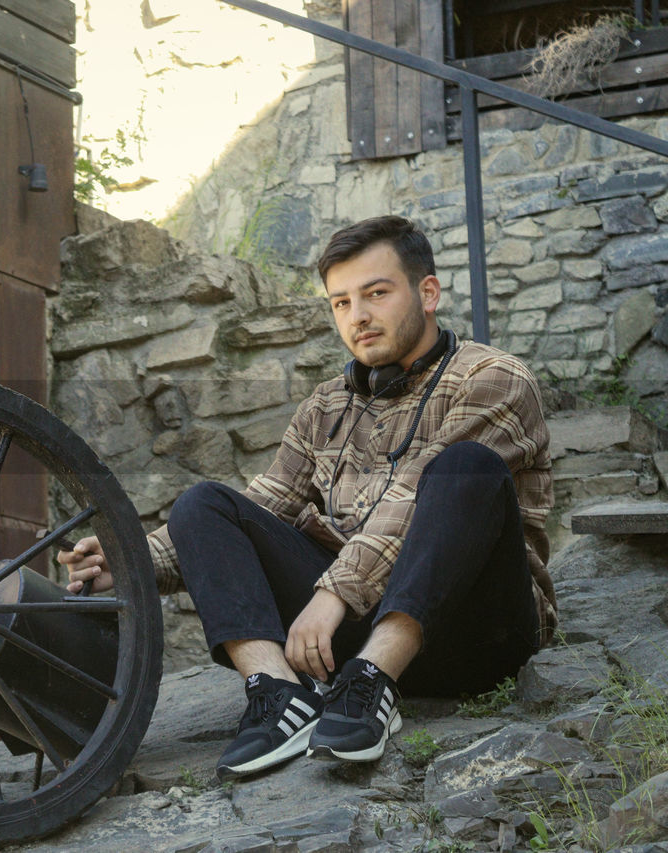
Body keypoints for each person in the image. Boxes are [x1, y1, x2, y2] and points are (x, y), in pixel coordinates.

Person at [58, 215, 555, 782]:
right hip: (354, 630)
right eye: (341, 302)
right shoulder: (325, 406)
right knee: (204, 503)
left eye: (376, 293)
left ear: (428, 292)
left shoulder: (493, 378)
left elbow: (410, 500)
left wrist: (332, 595)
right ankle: (277, 694)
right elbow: (261, 505)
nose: (358, 316)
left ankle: (373, 680)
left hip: (474, 632)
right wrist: (126, 564)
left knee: (463, 467)